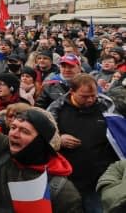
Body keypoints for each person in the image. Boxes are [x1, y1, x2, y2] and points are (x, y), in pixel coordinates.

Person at [0, 63, 82, 212]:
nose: (14, 134)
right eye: (13, 127)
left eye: (24, 131)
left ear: (40, 140)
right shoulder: (3, 149)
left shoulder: (62, 191)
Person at [47, 73, 119, 213]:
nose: (91, 99)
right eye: (85, 96)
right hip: (67, 181)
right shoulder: (56, 110)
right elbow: (43, 137)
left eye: (93, 95)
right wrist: (59, 139)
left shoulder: (107, 107)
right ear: (72, 92)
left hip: (98, 179)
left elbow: (118, 136)